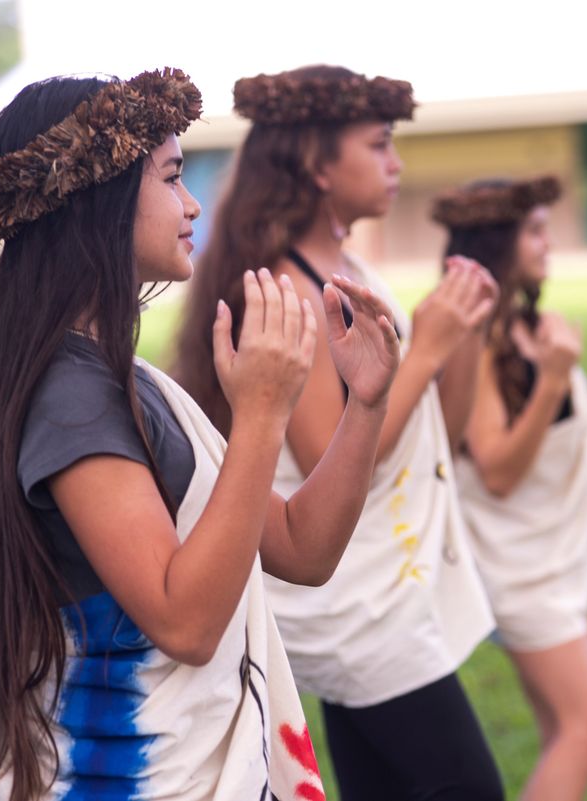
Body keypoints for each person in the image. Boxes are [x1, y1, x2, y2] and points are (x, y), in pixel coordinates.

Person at [0, 67, 401, 801]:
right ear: (100, 198)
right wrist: (261, 413)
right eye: (172, 178)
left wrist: (365, 403)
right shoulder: (69, 394)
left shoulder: (120, 377)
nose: (192, 203)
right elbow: (186, 624)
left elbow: (304, 549)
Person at [172, 65, 504, 801]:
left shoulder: (348, 266)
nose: (396, 163)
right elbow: (328, 453)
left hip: (387, 588)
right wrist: (426, 348)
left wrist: (461, 336)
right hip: (354, 605)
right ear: (319, 166)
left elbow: (433, 436)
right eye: (379, 145)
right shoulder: (290, 288)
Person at [432, 176, 587, 801]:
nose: (549, 242)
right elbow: (499, 470)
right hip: (521, 570)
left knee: (564, 730)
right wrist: (552, 379)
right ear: (498, 243)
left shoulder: (525, 327)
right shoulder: (478, 339)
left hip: (553, 560)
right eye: (535, 231)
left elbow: (552, 440)